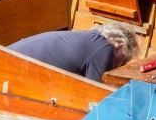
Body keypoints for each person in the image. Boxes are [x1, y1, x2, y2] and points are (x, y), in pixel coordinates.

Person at [8, 24, 139, 82]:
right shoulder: (104, 48)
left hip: (7, 54)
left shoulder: (88, 37)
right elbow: (94, 93)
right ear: (119, 45)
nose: (118, 67)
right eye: (123, 61)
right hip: (13, 67)